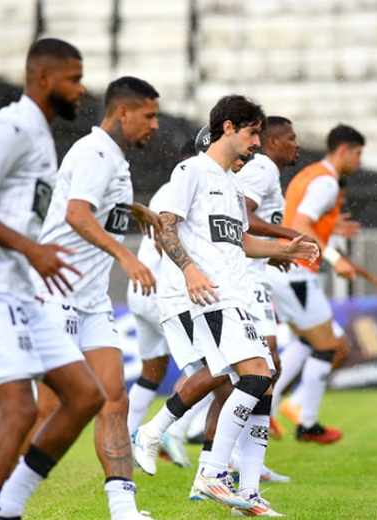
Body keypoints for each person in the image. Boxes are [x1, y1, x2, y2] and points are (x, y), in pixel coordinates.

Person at [0, 38, 105, 520]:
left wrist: (31, 259)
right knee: (20, 410)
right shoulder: (9, 127)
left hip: (16, 289)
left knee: (85, 395)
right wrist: (33, 250)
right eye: (74, 78)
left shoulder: (39, 135)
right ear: (43, 77)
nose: (81, 88)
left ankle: (7, 507)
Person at [135, 95, 317, 516]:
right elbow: (166, 226)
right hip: (210, 295)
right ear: (230, 128)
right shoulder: (191, 170)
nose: (258, 142)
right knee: (253, 376)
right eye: (254, 132)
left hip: (237, 294)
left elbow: (243, 242)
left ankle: (242, 491)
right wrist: (190, 271)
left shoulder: (232, 186)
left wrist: (286, 249)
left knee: (262, 379)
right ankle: (209, 471)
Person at [23, 76, 162, 520]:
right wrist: (127, 256)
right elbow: (76, 213)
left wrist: (134, 209)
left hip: (90, 301)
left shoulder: (115, 161)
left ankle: (123, 509)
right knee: (48, 409)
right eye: (149, 115)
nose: (156, 125)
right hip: (54, 293)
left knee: (113, 398)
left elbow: (94, 205)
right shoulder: (94, 152)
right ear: (123, 112)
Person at [264, 124, 366, 443]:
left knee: (310, 343)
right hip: (295, 273)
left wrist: (331, 229)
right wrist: (337, 260)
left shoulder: (308, 174)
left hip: (286, 271)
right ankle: (305, 423)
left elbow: (296, 217)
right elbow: (301, 222)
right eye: (358, 154)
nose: (359, 161)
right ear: (344, 150)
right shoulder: (326, 182)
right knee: (330, 346)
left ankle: (273, 408)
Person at [125, 138, 197, 469]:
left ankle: (124, 441)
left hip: (140, 293)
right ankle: (172, 430)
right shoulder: (181, 190)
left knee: (151, 373)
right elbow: (162, 244)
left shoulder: (167, 189)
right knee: (212, 366)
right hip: (160, 293)